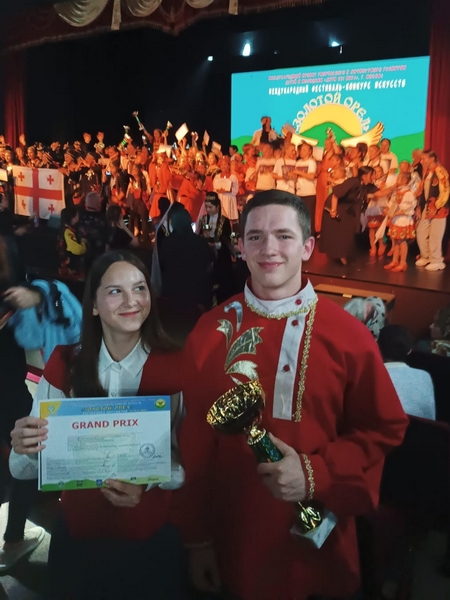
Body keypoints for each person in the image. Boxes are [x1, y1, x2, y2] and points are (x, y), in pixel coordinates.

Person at [176, 190, 408, 600]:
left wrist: (315, 472)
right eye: (255, 237)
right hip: (233, 540)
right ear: (240, 246)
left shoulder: (349, 337)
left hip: (319, 546)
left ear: (307, 247)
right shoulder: (209, 332)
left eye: (283, 236)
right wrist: (197, 539)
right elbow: (193, 446)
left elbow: (383, 427)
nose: (269, 249)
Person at [9, 251, 187, 599]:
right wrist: (27, 446)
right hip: (78, 536)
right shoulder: (64, 363)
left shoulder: (176, 367)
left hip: (149, 538)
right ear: (92, 304)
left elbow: (186, 467)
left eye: (139, 288)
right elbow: (21, 469)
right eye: (115, 291)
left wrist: (148, 479)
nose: (131, 301)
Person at [0, 237, 44, 573]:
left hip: (11, 388)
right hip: (10, 389)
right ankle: (14, 537)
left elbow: (48, 290)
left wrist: (36, 296)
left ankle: (14, 535)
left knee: (31, 450)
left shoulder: (18, 290)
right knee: (31, 450)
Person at [159, 203, 214, 312]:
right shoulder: (200, 242)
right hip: (198, 295)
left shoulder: (166, 243)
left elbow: (161, 267)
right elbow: (210, 265)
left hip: (173, 295)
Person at [378, 324, 436, 420]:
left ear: (377, 348)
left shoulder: (372, 376)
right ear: (409, 351)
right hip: (424, 429)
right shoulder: (425, 376)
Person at [198, 191, 234, 304]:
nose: (208, 210)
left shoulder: (224, 221)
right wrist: (204, 237)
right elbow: (199, 237)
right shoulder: (203, 220)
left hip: (222, 257)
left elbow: (227, 240)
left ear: (217, 207)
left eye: (210, 207)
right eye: (206, 207)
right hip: (207, 258)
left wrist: (215, 245)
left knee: (222, 285)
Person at [415, 150, 449, 271]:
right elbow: (424, 191)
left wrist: (437, 206)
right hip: (427, 207)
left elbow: (445, 191)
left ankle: (436, 260)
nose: (421, 161)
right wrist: (420, 206)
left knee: (435, 235)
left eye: (424, 159)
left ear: (432, 159)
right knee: (421, 232)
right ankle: (426, 256)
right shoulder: (427, 172)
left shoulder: (440, 171)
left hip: (438, 208)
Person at [319, 167, 361, 265]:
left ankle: (341, 254)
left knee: (341, 233)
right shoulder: (344, 182)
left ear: (344, 172)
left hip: (341, 209)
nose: (334, 173)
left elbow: (336, 194)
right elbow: (334, 194)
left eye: (336, 171)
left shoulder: (349, 182)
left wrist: (334, 210)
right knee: (332, 232)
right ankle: (334, 253)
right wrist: (333, 210)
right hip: (333, 208)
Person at [383, 173, 417, 272]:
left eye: (398, 178)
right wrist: (388, 210)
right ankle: (395, 261)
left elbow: (407, 209)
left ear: (404, 181)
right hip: (396, 219)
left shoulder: (408, 193)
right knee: (396, 240)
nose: (396, 180)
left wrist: (394, 214)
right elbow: (393, 203)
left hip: (403, 219)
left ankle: (403, 263)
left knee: (402, 241)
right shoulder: (398, 191)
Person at [58, 207, 86, 278]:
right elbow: (77, 250)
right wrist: (83, 243)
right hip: (70, 268)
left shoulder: (62, 229)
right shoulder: (68, 233)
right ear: (73, 218)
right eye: (77, 215)